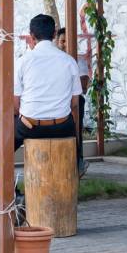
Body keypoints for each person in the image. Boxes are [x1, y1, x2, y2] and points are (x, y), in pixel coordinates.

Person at [0, 14, 83, 173]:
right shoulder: (69, 61)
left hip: (30, 126)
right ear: (54, 34)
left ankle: (12, 193)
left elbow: (15, 105)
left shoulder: (23, 61)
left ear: (31, 36)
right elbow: (74, 103)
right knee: (71, 128)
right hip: (61, 126)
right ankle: (77, 165)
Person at [55, 26, 91, 174]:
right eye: (62, 41)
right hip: (56, 100)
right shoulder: (52, 59)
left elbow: (83, 86)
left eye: (68, 41)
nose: (65, 44)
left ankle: (78, 160)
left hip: (74, 100)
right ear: (56, 42)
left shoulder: (79, 59)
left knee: (76, 128)